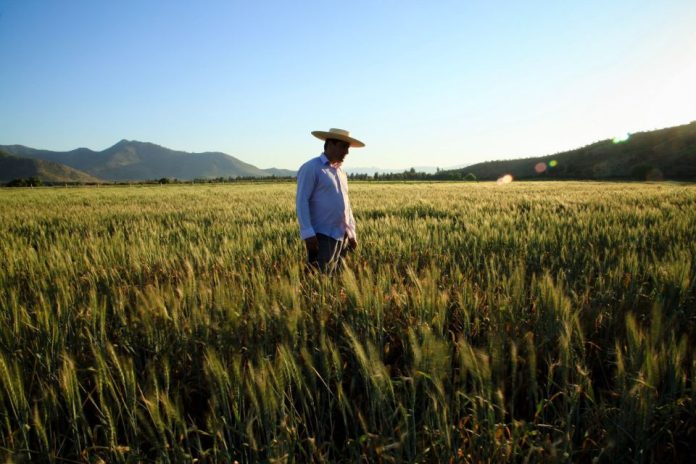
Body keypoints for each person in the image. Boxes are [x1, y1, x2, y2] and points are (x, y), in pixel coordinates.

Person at [296, 128, 365, 273]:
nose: (347, 152)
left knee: (335, 279)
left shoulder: (341, 172)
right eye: (344, 146)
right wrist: (308, 233)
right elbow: (302, 201)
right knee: (318, 278)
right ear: (330, 144)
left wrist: (352, 232)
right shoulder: (312, 168)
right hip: (322, 235)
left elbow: (346, 204)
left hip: (342, 236)